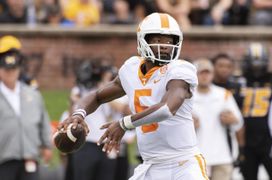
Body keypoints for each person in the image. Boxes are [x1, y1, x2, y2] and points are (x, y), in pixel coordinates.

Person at [58, 12, 208, 180]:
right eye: (158, 40)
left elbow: (167, 108)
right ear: (143, 40)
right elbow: (98, 96)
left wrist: (124, 124)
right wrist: (79, 114)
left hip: (183, 164)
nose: (165, 45)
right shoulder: (131, 68)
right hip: (151, 165)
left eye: (169, 40)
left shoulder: (181, 70)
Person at [0, 35, 52, 180]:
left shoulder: (31, 91)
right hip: (4, 156)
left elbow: (42, 118)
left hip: (29, 155)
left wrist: (46, 144)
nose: (10, 72)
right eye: (4, 55)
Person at [239, 42, 272, 180]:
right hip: (247, 141)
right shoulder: (238, 82)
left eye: (259, 63)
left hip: (270, 140)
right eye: (253, 63)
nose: (256, 67)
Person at [193, 58, 243, 180]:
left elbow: (239, 123)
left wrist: (232, 120)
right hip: (195, 157)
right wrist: (189, 125)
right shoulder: (187, 96)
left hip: (222, 156)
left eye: (207, 73)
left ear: (212, 74)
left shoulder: (223, 94)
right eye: (201, 73)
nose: (205, 76)